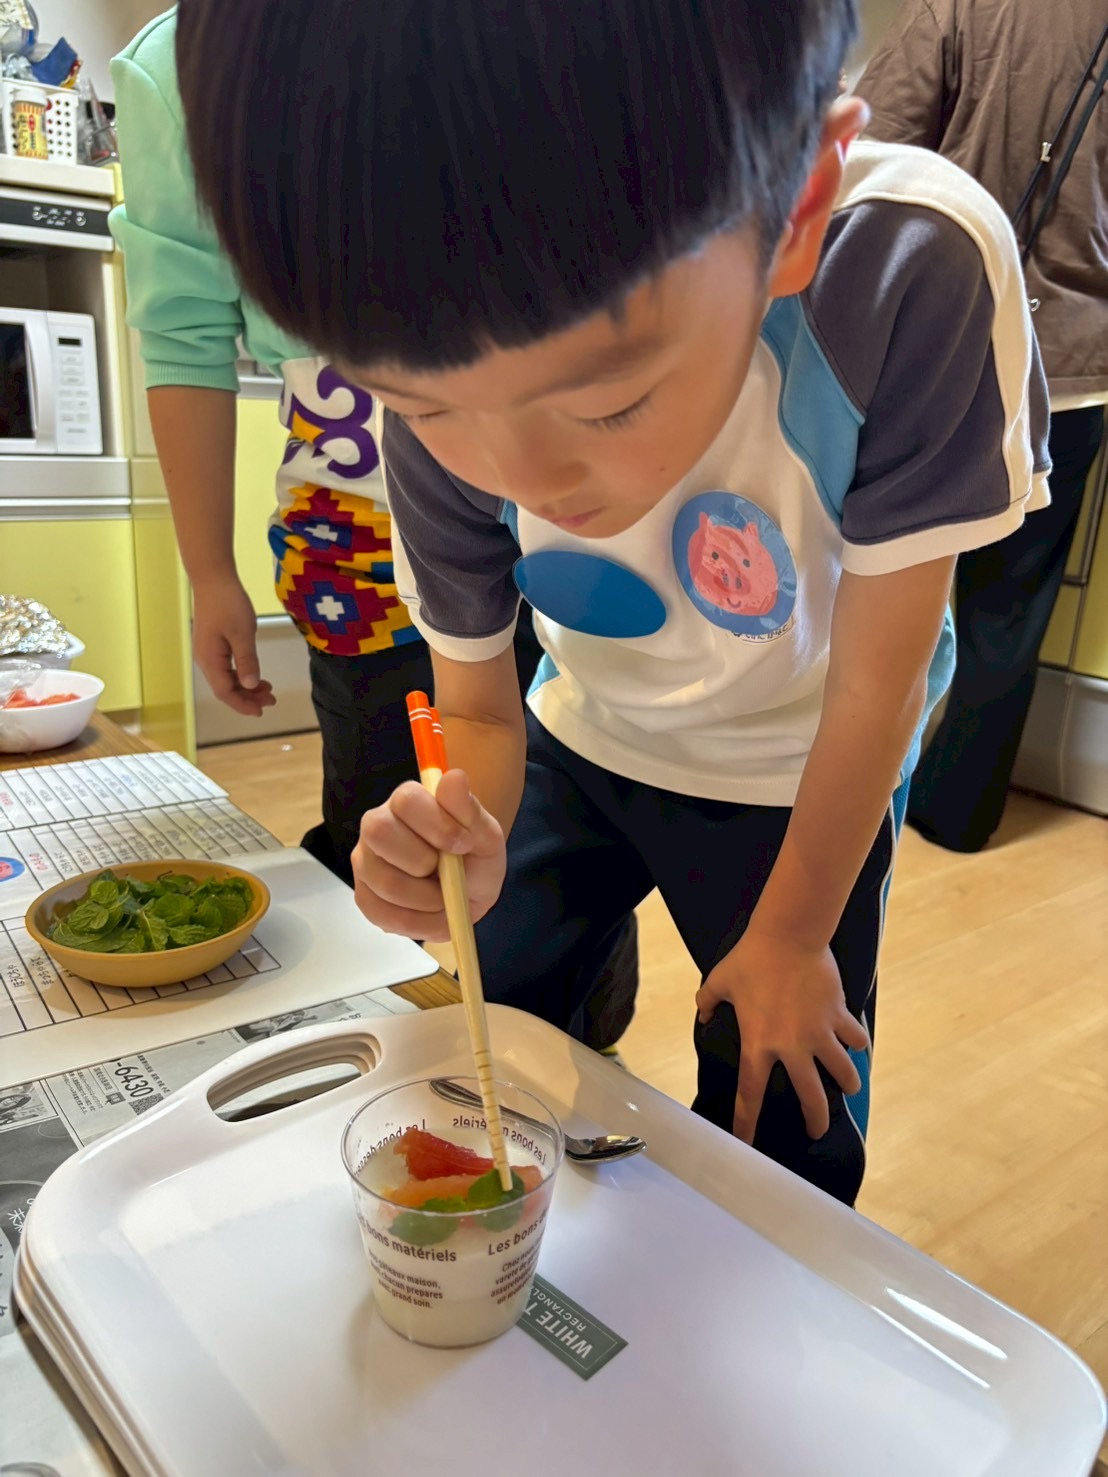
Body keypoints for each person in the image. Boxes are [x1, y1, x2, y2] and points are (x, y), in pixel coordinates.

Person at [172, 0, 1048, 1206]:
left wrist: (794, 933)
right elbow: (478, 707)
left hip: (802, 766)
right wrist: (459, 831)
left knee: (784, 1113)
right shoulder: (427, 346)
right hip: (580, 731)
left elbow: (879, 683)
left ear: (795, 214)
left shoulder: (910, 268)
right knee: (477, 1024)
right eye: (422, 406)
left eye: (604, 403)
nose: (523, 477)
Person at [109, 9, 637, 1053]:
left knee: (566, 791)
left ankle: (580, 1021)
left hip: (547, 521)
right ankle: (418, 1036)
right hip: (354, 550)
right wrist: (210, 572)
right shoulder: (175, 70)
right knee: (392, 827)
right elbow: (182, 338)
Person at [858, 2, 1108, 852]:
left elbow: (869, 151)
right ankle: (958, 814)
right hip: (1071, 372)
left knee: (864, 583)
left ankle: (833, 799)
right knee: (1009, 609)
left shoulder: (967, 6)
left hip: (932, 357)